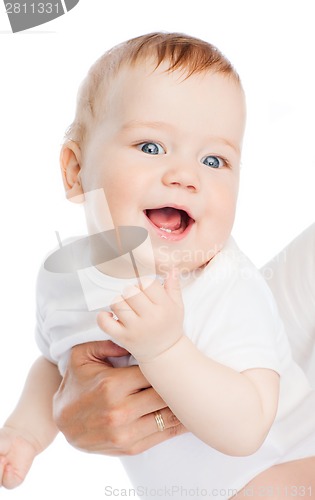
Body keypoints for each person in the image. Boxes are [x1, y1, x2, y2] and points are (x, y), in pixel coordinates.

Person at [0, 32, 314, 498]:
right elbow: (54, 364)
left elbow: (248, 428)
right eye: (151, 147)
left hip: (279, 472)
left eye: (214, 159)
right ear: (75, 171)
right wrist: (24, 433)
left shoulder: (225, 282)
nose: (185, 176)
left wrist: (166, 348)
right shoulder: (61, 276)